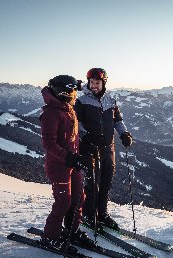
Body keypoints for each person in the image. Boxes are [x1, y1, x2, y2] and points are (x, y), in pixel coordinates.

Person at [40, 75, 96, 253]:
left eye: (74, 90)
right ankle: (50, 237)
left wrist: (84, 152)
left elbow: (71, 139)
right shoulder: (51, 112)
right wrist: (72, 158)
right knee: (63, 202)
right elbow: (49, 144)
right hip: (59, 166)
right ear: (62, 92)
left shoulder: (68, 109)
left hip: (73, 162)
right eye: (71, 90)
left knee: (79, 198)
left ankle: (71, 231)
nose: (73, 94)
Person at [75, 68, 132, 229]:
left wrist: (125, 134)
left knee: (106, 183)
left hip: (108, 148)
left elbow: (118, 121)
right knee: (92, 185)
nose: (94, 85)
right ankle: (88, 215)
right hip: (90, 148)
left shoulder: (111, 100)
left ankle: (102, 214)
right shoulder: (82, 101)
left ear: (103, 83)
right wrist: (87, 136)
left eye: (97, 83)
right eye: (91, 82)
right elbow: (76, 125)